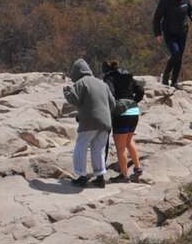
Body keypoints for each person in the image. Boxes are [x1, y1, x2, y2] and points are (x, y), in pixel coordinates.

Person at [62, 59, 113, 188]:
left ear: (77, 72)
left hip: (89, 122)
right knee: (98, 149)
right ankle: (100, 177)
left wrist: (67, 90)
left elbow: (74, 99)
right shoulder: (102, 84)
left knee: (81, 147)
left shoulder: (81, 82)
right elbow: (112, 104)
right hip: (106, 122)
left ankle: (82, 176)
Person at [102, 61, 147, 182]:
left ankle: (124, 176)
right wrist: (133, 101)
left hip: (121, 113)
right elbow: (140, 90)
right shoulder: (128, 76)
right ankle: (137, 169)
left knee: (120, 147)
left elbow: (109, 94)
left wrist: (114, 106)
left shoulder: (109, 77)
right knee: (129, 141)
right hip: (133, 111)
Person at [151, 0, 192, 86]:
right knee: (176, 53)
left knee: (179, 56)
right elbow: (157, 17)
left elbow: (191, 10)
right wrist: (157, 33)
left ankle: (174, 81)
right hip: (169, 32)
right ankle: (166, 75)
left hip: (182, 31)